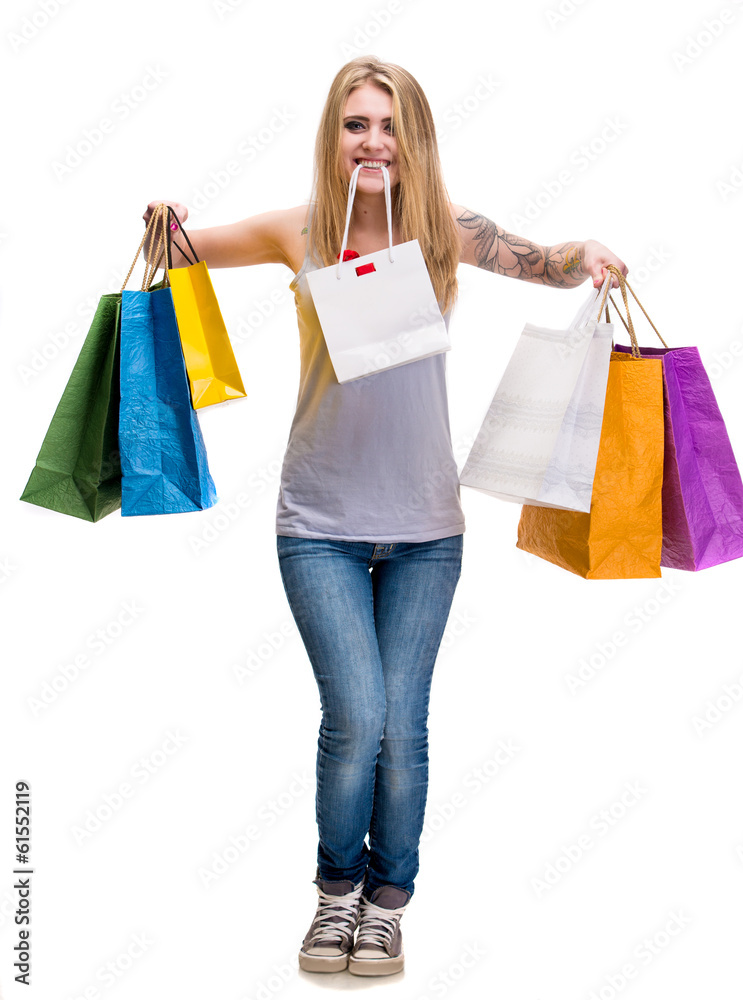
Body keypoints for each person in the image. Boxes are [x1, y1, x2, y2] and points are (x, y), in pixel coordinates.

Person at [143, 55, 628, 978]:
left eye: (389, 124)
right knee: (354, 715)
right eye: (356, 123)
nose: (373, 141)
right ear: (334, 135)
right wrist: (165, 223)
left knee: (403, 724)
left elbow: (550, 263)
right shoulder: (301, 231)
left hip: (426, 530)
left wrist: (589, 252)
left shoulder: (444, 229)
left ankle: (386, 904)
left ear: (415, 138)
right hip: (318, 520)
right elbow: (182, 250)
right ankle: (335, 897)